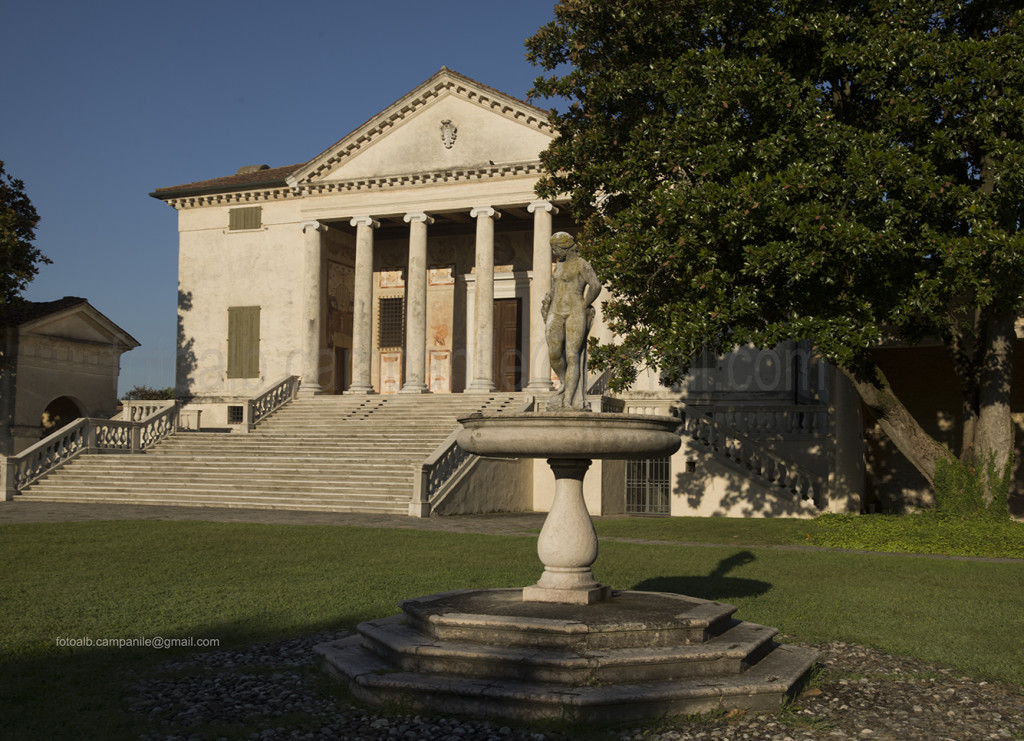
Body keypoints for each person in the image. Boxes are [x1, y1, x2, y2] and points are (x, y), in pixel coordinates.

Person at [541, 232, 602, 410]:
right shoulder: (558, 266)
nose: (554, 252)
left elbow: (596, 285)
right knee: (553, 352)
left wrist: (585, 304)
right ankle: (564, 382)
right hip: (556, 310)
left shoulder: (582, 264)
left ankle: (567, 399)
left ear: (565, 247)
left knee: (572, 355)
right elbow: (555, 287)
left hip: (575, 309)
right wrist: (547, 302)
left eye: (556, 248)